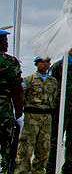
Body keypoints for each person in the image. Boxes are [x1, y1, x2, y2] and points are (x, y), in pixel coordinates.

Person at [15, 56, 59, 174]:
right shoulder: (29, 80)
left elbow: (55, 98)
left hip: (47, 118)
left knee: (44, 149)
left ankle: (38, 171)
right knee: (26, 148)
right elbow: (21, 96)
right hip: (32, 117)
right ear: (37, 64)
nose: (46, 64)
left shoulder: (53, 82)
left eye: (48, 62)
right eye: (43, 62)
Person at [47, 47, 72, 174]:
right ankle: (50, 170)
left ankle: (68, 171)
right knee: (55, 143)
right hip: (59, 111)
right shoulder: (58, 67)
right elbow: (51, 89)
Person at [0, 28, 24, 173]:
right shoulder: (10, 62)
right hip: (4, 112)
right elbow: (17, 90)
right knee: (6, 148)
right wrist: (19, 112)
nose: (7, 44)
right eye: (4, 41)